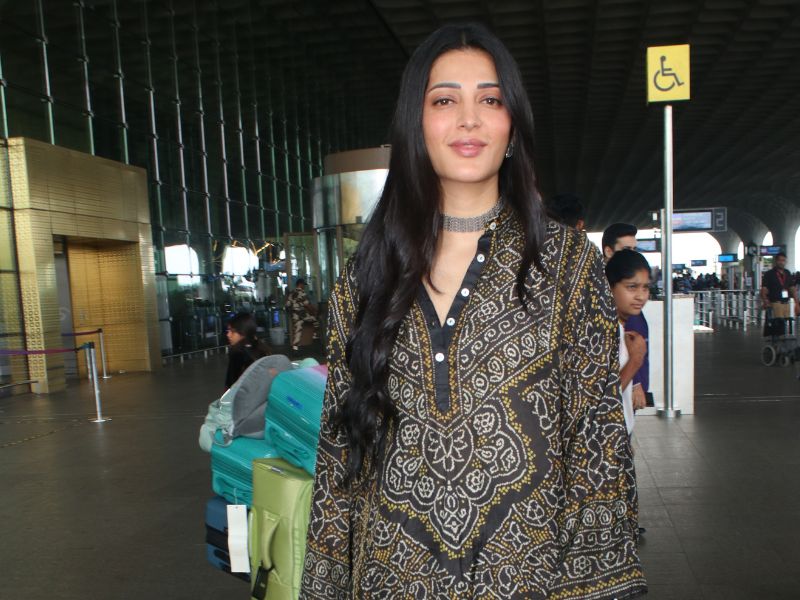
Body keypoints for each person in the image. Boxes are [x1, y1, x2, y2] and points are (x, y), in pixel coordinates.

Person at [301, 23, 646, 599]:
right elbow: (342, 456)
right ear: (416, 124)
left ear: (512, 126)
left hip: (529, 583)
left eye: (490, 100)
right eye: (444, 101)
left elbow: (598, 445)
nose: (468, 119)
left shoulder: (567, 267)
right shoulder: (366, 276)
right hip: (390, 583)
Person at [603, 222, 649, 415]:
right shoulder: (601, 331)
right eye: (632, 287)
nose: (641, 296)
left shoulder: (624, 319)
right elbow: (599, 402)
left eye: (645, 288)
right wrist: (635, 362)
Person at [224, 312, 270, 389]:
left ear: (243, 333)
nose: (228, 335)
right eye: (228, 331)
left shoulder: (237, 352)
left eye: (232, 331)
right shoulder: (262, 348)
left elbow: (231, 384)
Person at [285, 278, 320, 351]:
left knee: (298, 331)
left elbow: (287, 305)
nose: (304, 286)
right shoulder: (302, 293)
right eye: (303, 284)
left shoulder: (291, 293)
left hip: (295, 316)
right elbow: (307, 305)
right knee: (316, 320)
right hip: (303, 315)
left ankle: (295, 349)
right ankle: (315, 337)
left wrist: (292, 312)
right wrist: (315, 311)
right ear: (300, 284)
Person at [760, 252, 798, 318]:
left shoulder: (787, 273)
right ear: (776, 261)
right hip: (775, 303)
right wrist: (765, 301)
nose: (781, 262)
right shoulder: (769, 274)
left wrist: (796, 302)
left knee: (787, 322)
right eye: (779, 260)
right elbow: (764, 289)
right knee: (778, 322)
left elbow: (792, 288)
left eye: (783, 260)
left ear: (786, 262)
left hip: (786, 303)